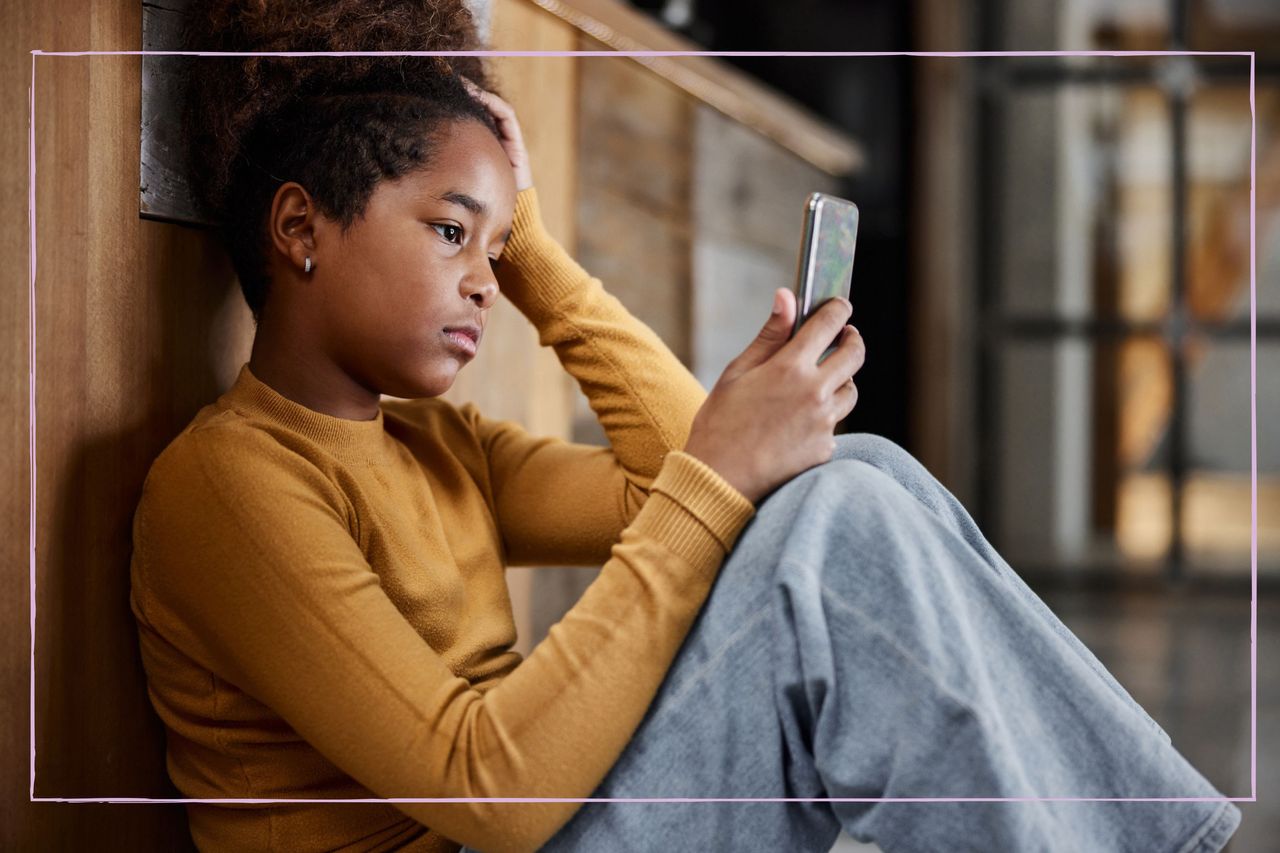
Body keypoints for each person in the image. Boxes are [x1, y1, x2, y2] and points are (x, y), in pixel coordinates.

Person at [129, 2, 1241, 851]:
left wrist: (538, 257)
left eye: (496, 248)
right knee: (844, 507)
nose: (483, 280)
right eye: (451, 233)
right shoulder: (229, 481)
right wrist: (718, 462)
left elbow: (705, 483)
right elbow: (484, 791)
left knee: (853, 475)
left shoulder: (437, 444)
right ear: (297, 227)